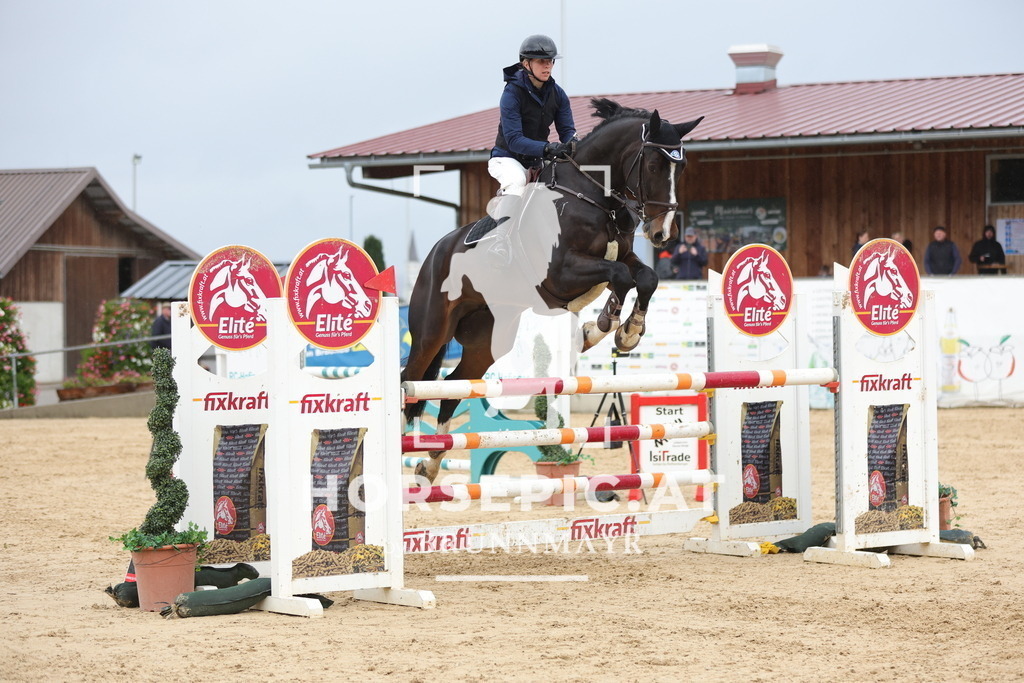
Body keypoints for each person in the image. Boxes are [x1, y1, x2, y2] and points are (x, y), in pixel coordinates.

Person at [487, 34, 577, 263]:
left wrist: (575, 145)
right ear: (526, 63)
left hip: (536, 160)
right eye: (541, 61)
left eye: (550, 61)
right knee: (517, 180)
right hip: (507, 158)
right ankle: (500, 242)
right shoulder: (511, 94)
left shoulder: (557, 94)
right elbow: (515, 139)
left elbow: (567, 131)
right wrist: (548, 149)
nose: (547, 65)